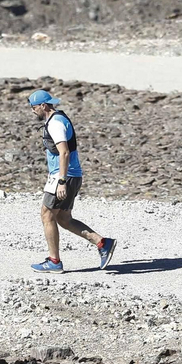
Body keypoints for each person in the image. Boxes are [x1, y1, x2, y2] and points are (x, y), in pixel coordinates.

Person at [26, 89, 117, 273]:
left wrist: (61, 181)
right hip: (71, 175)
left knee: (47, 214)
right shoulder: (56, 119)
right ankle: (102, 243)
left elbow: (64, 152)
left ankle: (54, 261)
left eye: (34, 107)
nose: (32, 111)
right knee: (63, 218)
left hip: (63, 176)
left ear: (43, 106)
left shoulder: (55, 124)